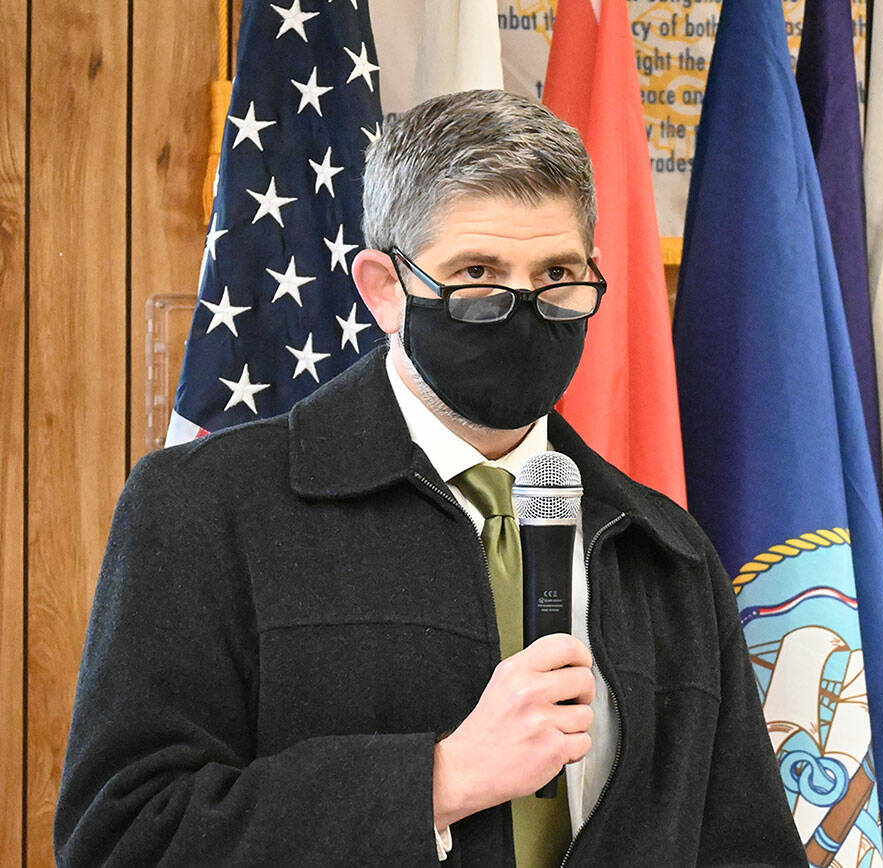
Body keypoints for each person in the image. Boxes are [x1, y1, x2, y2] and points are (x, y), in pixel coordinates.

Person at [55, 89, 805, 867]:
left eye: (556, 275)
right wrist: (435, 781)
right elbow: (123, 839)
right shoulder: (208, 508)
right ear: (385, 289)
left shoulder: (665, 549)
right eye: (477, 273)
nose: (522, 309)